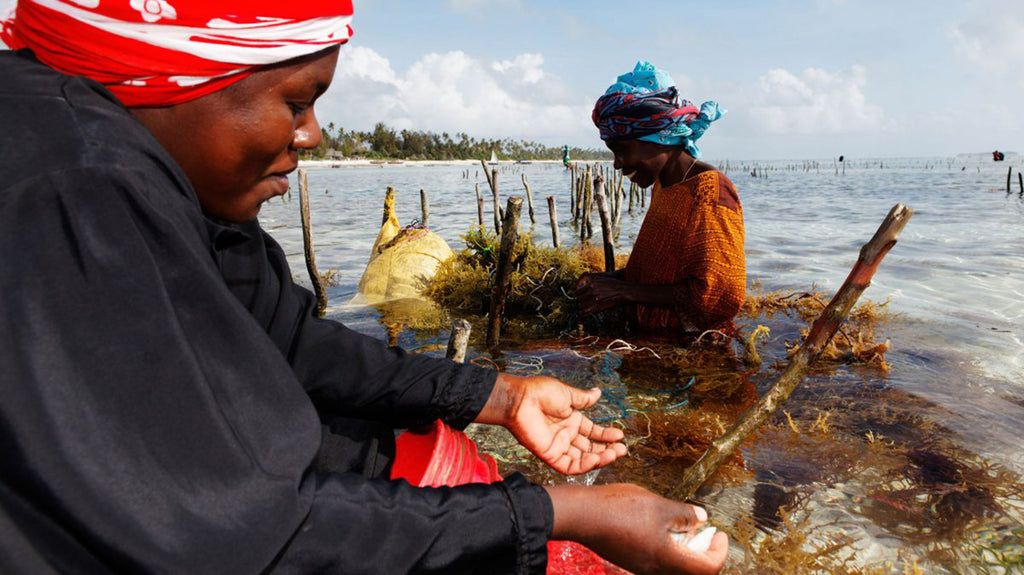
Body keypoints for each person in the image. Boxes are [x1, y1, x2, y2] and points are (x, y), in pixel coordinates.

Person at [0, 3, 728, 574]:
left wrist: (499, 396)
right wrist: (565, 513)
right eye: (296, 101)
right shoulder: (77, 187)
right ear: (177, 76)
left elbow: (291, 340)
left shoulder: (167, 175)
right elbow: (236, 537)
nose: (313, 133)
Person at [577, 61, 745, 337]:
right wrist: (610, 281)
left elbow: (719, 299)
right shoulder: (665, 185)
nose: (617, 164)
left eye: (621, 150)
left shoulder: (711, 193)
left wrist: (624, 291)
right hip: (649, 342)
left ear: (659, 139)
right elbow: (661, 274)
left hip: (689, 358)